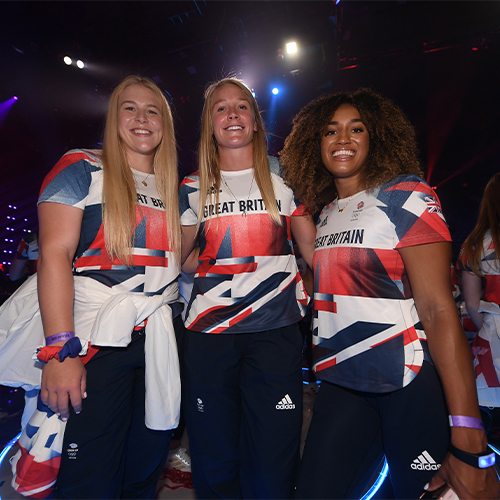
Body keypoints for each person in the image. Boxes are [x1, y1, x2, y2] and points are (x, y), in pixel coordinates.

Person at [280, 88, 500, 499]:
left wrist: (470, 439)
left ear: (377, 137)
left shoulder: (407, 196)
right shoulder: (325, 213)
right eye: (330, 131)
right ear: (316, 143)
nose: (342, 139)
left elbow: (437, 310)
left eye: (356, 128)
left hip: (406, 380)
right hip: (342, 382)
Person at [33, 75, 181, 498]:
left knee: (144, 466)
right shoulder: (81, 165)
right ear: (113, 117)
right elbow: (54, 254)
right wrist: (60, 350)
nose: (142, 118)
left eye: (153, 111)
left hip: (159, 338)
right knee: (89, 474)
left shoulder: (176, 187)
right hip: (94, 338)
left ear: (165, 125)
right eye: (129, 107)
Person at [178, 77, 316, 499]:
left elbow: (314, 253)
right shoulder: (191, 186)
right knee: (214, 451)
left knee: (272, 451)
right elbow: (176, 260)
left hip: (274, 334)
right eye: (221, 108)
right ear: (210, 125)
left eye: (241, 107)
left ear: (256, 122)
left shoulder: (285, 177)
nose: (232, 114)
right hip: (209, 333)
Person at [458, 173, 500, 433]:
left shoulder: (474, 244)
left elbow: (472, 303)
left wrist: (486, 325)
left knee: (485, 424)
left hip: (491, 339)